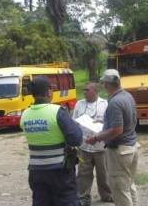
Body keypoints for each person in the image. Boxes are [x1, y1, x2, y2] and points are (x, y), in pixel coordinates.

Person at [20, 76, 83, 206]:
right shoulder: (57, 111)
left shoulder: (25, 114)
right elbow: (76, 139)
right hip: (59, 170)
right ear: (49, 92)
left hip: (36, 171)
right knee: (67, 201)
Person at [86, 69, 139, 206]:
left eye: (103, 83)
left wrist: (96, 138)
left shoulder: (115, 102)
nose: (103, 86)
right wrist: (105, 123)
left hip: (119, 152)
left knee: (120, 190)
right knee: (128, 185)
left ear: (107, 85)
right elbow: (125, 122)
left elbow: (117, 130)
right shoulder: (127, 96)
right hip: (131, 147)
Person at [72, 82, 112, 206]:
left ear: (95, 91)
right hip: (84, 147)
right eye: (83, 90)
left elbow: (110, 122)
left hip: (100, 147)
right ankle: (83, 197)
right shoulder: (79, 104)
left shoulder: (105, 104)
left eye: (87, 90)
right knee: (83, 174)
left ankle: (107, 195)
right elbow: (73, 122)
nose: (84, 92)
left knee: (103, 174)